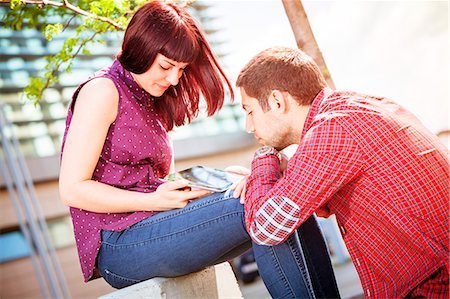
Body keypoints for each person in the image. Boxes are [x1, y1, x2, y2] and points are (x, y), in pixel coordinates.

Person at [59, 2, 341, 298]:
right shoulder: (102, 91)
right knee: (263, 203)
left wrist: (212, 186)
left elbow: (151, 184)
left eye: (180, 70)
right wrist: (157, 201)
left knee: (282, 196)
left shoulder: (149, 99)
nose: (173, 79)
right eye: (166, 66)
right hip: (119, 244)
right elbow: (72, 189)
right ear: (140, 47)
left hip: (152, 221)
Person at [236, 46, 449, 298]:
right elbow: (323, 202)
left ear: (277, 101)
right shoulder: (361, 108)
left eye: (250, 111)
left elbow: (266, 227)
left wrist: (264, 158)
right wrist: (283, 172)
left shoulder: (332, 130)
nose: (249, 126)